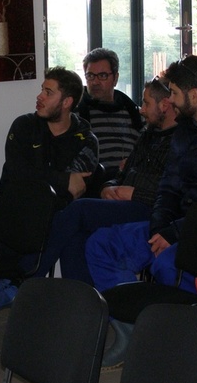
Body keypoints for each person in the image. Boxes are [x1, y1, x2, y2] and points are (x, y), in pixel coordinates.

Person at [85, 55, 197, 367]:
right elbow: (168, 187)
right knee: (100, 245)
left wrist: (173, 233)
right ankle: (133, 331)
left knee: (167, 264)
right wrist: (160, 228)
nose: (168, 100)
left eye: (173, 93)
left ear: (194, 94)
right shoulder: (185, 128)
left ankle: (186, 342)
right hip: (175, 226)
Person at [24, 73, 177, 284]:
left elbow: (175, 192)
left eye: (146, 103)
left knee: (79, 210)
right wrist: (108, 186)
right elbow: (123, 174)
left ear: (164, 105)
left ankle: (26, 277)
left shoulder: (180, 141)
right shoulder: (148, 134)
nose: (141, 110)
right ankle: (84, 299)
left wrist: (134, 193)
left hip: (153, 209)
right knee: (75, 236)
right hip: (128, 202)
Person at [0, 66, 99, 310]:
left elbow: (76, 188)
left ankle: (15, 283)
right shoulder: (24, 126)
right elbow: (17, 173)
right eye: (42, 89)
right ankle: (81, 307)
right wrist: (62, 180)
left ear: (67, 102)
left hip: (54, 215)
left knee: (68, 226)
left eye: (48, 92)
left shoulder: (85, 139)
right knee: (67, 228)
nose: (39, 96)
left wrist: (48, 182)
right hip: (14, 210)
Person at [77, 47, 143, 183]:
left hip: (130, 182)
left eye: (102, 76)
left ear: (115, 78)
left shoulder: (135, 113)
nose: (95, 82)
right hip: (92, 184)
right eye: (90, 76)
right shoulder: (76, 114)